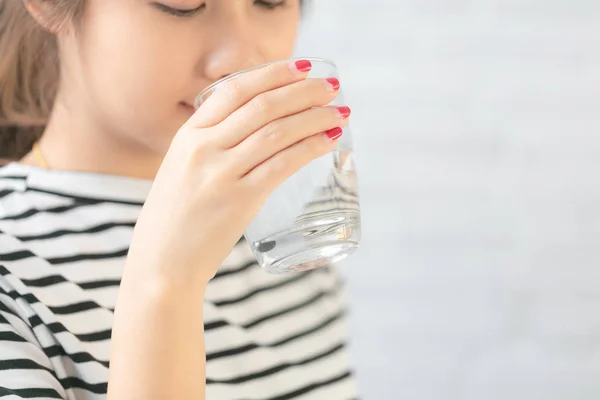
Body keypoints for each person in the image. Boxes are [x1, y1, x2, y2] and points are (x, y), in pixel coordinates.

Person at [0, 0, 357, 399]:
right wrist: (165, 286)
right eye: (182, 5)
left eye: (270, 1)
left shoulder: (288, 238)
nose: (240, 58)